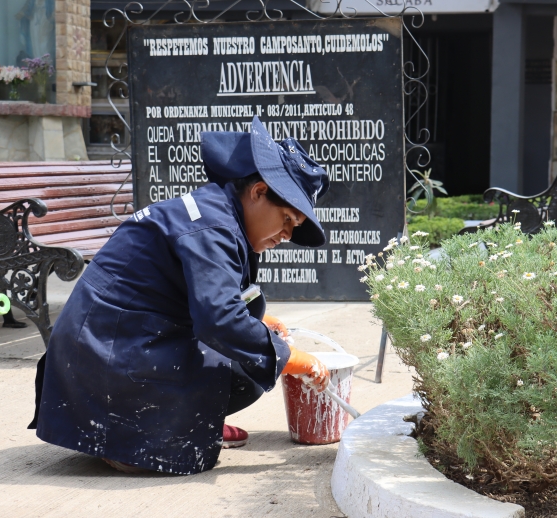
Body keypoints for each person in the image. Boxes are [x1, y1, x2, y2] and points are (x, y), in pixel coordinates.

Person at [29, 117, 331, 475]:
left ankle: (191, 422)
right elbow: (219, 320)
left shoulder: (216, 212)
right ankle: (135, 440)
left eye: (295, 227)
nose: (287, 235)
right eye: (287, 219)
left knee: (253, 349)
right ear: (258, 192)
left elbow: (197, 298)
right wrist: (292, 358)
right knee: (249, 364)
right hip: (105, 356)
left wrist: (261, 323)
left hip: (107, 347)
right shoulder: (214, 226)